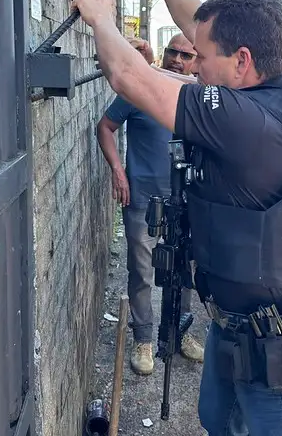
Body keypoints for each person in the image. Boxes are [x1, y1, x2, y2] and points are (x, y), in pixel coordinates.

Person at [72, 0, 282, 435]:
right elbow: (199, 21)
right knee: (220, 421)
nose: (195, 67)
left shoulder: (247, 123)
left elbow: (128, 76)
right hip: (241, 329)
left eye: (204, 58)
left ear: (241, 61)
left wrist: (101, 16)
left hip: (277, 352)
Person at [97, 33, 204, 376]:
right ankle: (143, 338)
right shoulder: (140, 91)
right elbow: (105, 127)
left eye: (186, 55)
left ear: (196, 62)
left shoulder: (197, 97)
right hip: (142, 198)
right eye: (173, 52)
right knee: (142, 271)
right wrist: (117, 169)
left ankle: (179, 333)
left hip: (186, 202)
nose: (178, 59)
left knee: (183, 271)